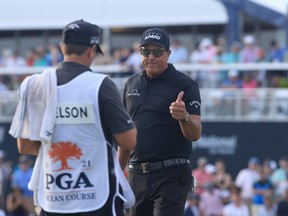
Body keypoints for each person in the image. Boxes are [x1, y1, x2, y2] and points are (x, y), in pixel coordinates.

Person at [9, 19, 137, 216]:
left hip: (54, 198)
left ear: (62, 47)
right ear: (91, 50)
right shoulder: (100, 84)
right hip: (96, 197)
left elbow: (24, 147)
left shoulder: (34, 85)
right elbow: (129, 141)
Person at [123, 27, 202, 216]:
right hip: (137, 173)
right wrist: (117, 172)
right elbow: (125, 134)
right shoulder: (130, 84)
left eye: (157, 51)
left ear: (168, 54)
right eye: (145, 51)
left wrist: (184, 117)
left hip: (171, 173)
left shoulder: (185, 84)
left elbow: (195, 133)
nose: (151, 57)